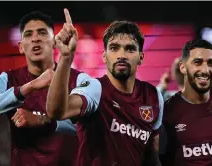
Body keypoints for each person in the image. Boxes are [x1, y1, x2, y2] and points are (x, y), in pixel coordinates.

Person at [46, 9, 164, 166]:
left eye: (130, 48)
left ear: (141, 57)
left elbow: (151, 156)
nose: (121, 55)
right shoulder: (95, 89)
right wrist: (66, 58)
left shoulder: (153, 96)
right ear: (104, 56)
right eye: (114, 48)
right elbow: (55, 111)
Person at [0, 10, 89, 166]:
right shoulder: (7, 79)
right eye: (28, 35)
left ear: (53, 42)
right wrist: (29, 87)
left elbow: (89, 126)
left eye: (42, 33)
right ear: (21, 47)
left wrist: (41, 119)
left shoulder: (79, 79)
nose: (35, 38)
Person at [160, 39, 212, 166]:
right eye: (197, 62)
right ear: (183, 67)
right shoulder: (166, 111)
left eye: (211, 63)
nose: (205, 70)